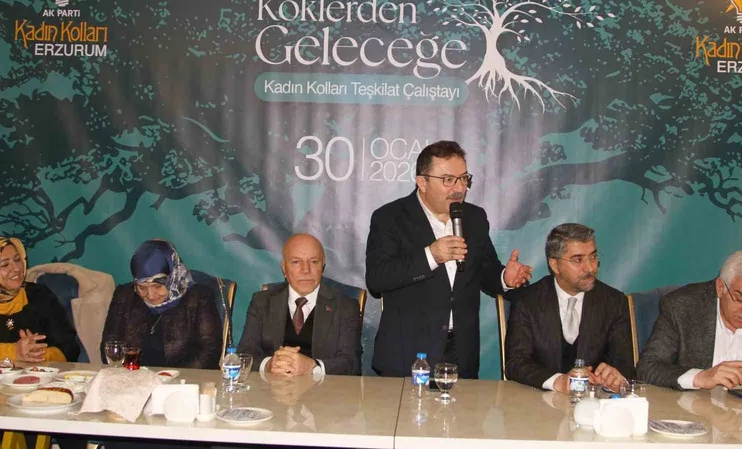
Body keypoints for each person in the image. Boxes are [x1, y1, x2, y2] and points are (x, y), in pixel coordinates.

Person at [365, 140, 532, 379]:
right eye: (448, 180)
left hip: (461, 354)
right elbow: (377, 279)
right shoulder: (390, 217)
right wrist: (431, 256)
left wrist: (504, 277)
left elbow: (484, 270)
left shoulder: (474, 217)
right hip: (407, 354)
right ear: (422, 182)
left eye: (463, 178)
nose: (459, 188)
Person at [638, 250, 742, 390]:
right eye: (740, 299)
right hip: (695, 408)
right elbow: (648, 368)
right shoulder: (682, 307)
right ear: (720, 287)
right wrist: (700, 377)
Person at [505, 223, 634, 392]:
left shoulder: (614, 302)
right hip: (538, 401)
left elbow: (624, 364)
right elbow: (516, 363)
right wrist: (558, 381)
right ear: (554, 265)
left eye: (593, 257)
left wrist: (615, 375)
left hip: (595, 401)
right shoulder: (527, 301)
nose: (590, 268)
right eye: (578, 260)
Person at [238, 233, 361, 376]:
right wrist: (269, 365)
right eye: (296, 262)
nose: (306, 270)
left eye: (313, 262)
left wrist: (313, 368)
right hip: (271, 386)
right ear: (284, 268)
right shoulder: (262, 302)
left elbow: (351, 363)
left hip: (324, 389)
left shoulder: (345, 307)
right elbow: (245, 353)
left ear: (322, 267)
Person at [101, 239, 222, 369]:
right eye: (142, 287)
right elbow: (110, 346)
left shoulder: (199, 297)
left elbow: (209, 351)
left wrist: (169, 377)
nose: (151, 295)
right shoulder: (124, 295)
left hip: (183, 377)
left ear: (173, 277)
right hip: (133, 376)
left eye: (157, 286)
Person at [0, 236, 80, 363]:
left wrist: (39, 354)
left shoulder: (39, 295)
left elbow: (70, 348)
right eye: (5, 264)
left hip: (40, 374)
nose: (16, 268)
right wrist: (14, 352)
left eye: (17, 259)